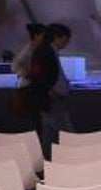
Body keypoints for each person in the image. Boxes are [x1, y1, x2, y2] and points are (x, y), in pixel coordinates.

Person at [28, 23, 74, 157]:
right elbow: (38, 76)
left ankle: (48, 162)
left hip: (49, 98)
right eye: (66, 39)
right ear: (58, 37)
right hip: (52, 99)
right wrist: (51, 91)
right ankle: (78, 159)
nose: (67, 43)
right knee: (66, 133)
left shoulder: (47, 50)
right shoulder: (45, 51)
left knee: (49, 133)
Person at [11, 22, 45, 87]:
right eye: (43, 35)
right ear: (36, 36)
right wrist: (26, 74)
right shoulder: (27, 51)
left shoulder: (40, 48)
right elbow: (14, 66)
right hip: (30, 86)